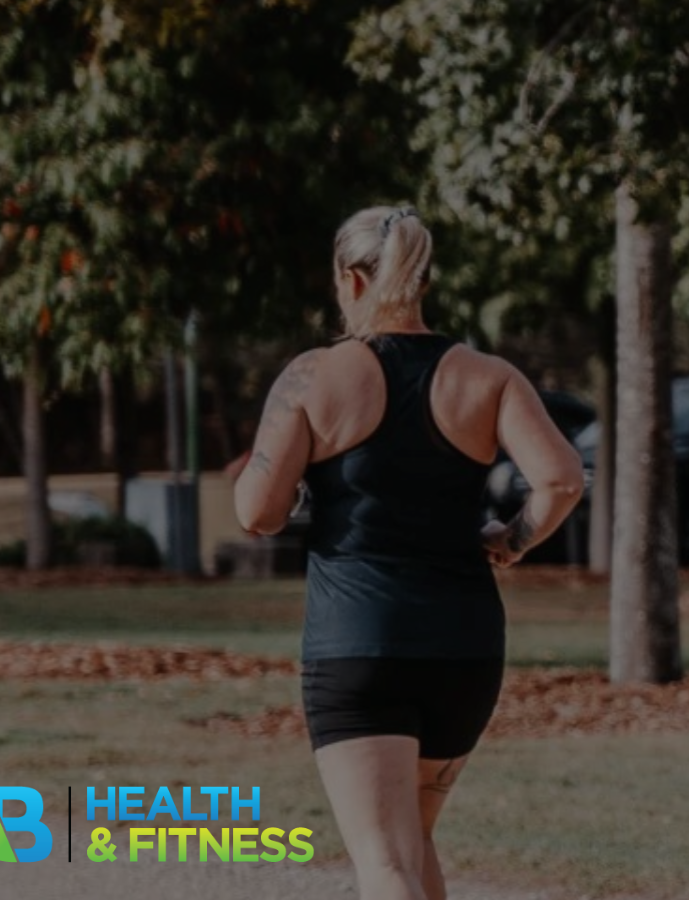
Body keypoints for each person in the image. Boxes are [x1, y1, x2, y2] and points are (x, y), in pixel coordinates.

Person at [234, 207, 584, 900]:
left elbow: (258, 512)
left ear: (349, 278)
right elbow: (563, 479)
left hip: (359, 644)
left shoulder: (314, 375)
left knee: (384, 864)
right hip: (464, 646)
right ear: (423, 277)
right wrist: (512, 540)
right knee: (412, 845)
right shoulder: (486, 376)